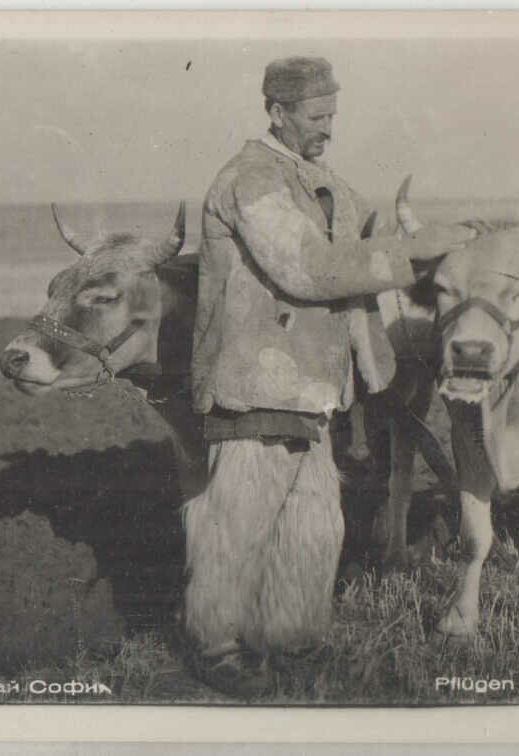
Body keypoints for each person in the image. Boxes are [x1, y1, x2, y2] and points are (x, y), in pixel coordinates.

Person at [183, 55, 473, 696]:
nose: (328, 128)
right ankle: (217, 646)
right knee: (239, 519)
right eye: (316, 117)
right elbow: (308, 269)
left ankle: (293, 640)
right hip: (254, 382)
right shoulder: (250, 181)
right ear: (277, 113)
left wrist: (440, 248)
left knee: (315, 524)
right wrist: (408, 253)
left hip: (313, 388)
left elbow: (355, 237)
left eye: (333, 115)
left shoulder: (322, 182)